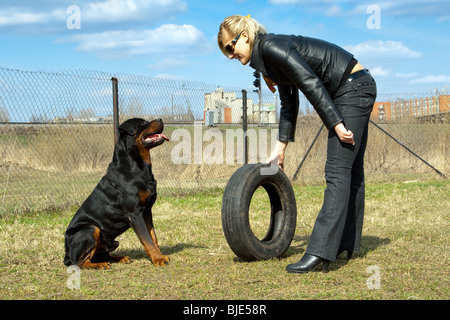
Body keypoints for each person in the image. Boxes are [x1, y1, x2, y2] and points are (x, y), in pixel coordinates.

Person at [218, 15, 377, 273]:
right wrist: (280, 148)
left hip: (351, 88)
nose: (230, 56)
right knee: (350, 169)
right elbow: (289, 102)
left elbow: (310, 83)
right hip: (352, 86)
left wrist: (335, 123)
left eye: (230, 47)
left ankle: (320, 253)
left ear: (244, 37)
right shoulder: (268, 56)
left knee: (337, 171)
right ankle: (345, 243)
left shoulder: (271, 47)